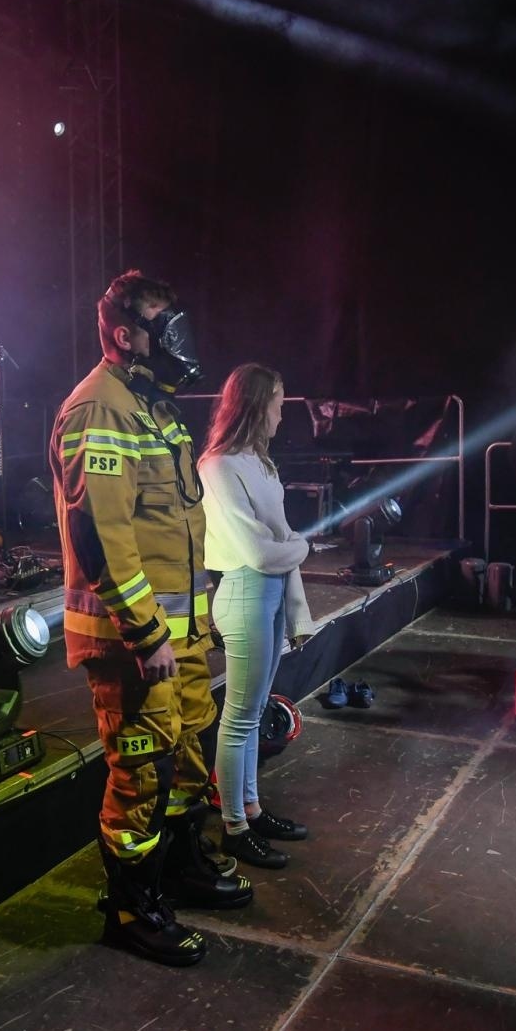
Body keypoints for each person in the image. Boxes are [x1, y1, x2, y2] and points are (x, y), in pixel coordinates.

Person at [51, 269, 253, 968]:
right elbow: (104, 535)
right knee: (141, 772)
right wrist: (145, 631)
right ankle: (132, 908)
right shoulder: (100, 409)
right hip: (135, 643)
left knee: (188, 755)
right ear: (124, 334)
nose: (179, 344)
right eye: (165, 329)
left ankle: (181, 870)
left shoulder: (153, 405)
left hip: (181, 638)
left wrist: (191, 627)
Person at [199, 363, 317, 871]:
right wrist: (302, 546)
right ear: (253, 405)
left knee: (252, 712)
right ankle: (233, 826)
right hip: (245, 592)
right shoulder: (219, 465)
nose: (281, 416)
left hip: (267, 593)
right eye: (277, 405)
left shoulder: (260, 464)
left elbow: (279, 543)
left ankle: (250, 809)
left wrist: (291, 554)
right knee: (240, 717)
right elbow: (259, 551)